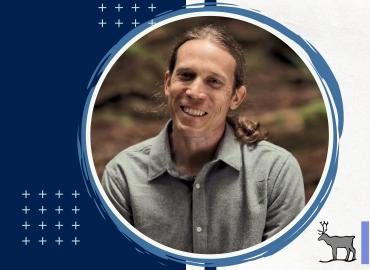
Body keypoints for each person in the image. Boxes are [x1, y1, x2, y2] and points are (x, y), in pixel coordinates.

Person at [102, 24, 305, 254]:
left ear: (236, 97)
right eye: (186, 76)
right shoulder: (124, 175)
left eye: (214, 82)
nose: (195, 92)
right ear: (168, 82)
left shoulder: (275, 172)